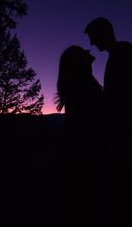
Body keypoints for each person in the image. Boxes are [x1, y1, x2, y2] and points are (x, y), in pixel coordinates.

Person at [84, 17, 132, 226]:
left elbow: (121, 97)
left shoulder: (123, 52)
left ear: (104, 33)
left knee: (125, 187)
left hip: (125, 131)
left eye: (93, 38)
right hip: (126, 129)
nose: (92, 43)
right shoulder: (119, 54)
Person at [55, 45, 103, 227]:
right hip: (82, 146)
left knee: (78, 195)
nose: (89, 51)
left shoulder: (79, 80)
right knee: (82, 195)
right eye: (83, 52)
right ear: (78, 62)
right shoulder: (82, 82)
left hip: (75, 144)